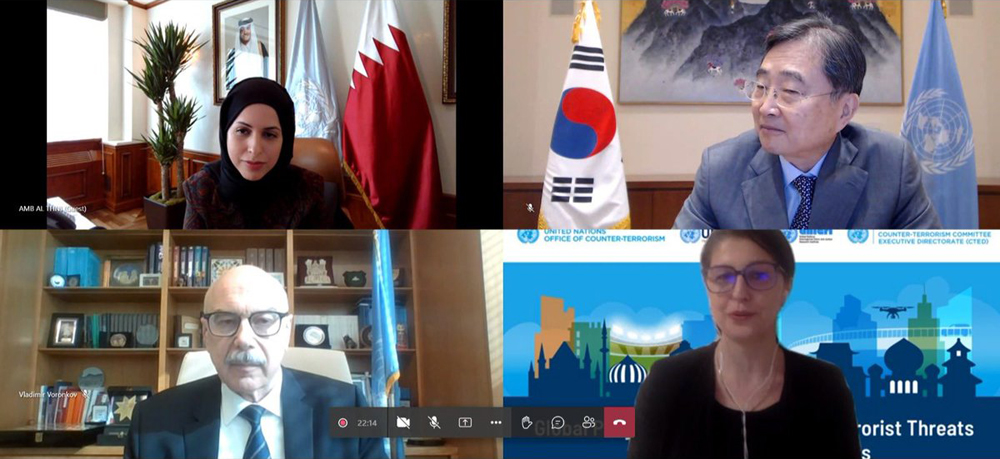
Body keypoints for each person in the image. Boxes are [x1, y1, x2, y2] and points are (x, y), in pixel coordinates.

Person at [673, 15, 941, 229]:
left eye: (790, 91)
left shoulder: (891, 166)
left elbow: (927, 271)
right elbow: (679, 269)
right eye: (761, 87)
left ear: (845, 111)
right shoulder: (721, 169)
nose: (766, 107)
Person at [628, 230, 861, 459]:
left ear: (786, 286)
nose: (740, 293)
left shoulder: (825, 387)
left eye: (758, 276)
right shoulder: (667, 382)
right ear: (706, 284)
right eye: (723, 277)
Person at [125, 265, 386, 459]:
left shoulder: (348, 407)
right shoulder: (152, 420)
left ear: (286, 330)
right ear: (205, 333)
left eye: (263, 320)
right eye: (226, 321)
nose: (244, 340)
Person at [183, 78, 332, 229]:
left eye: (269, 135)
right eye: (242, 131)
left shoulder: (308, 190)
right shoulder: (202, 189)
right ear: (225, 133)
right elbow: (190, 251)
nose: (254, 149)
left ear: (285, 141)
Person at [226, 17, 269, 91]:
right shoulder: (233, 53)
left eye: (247, 28)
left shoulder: (260, 47)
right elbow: (229, 82)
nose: (245, 32)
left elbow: (267, 71)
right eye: (242, 30)